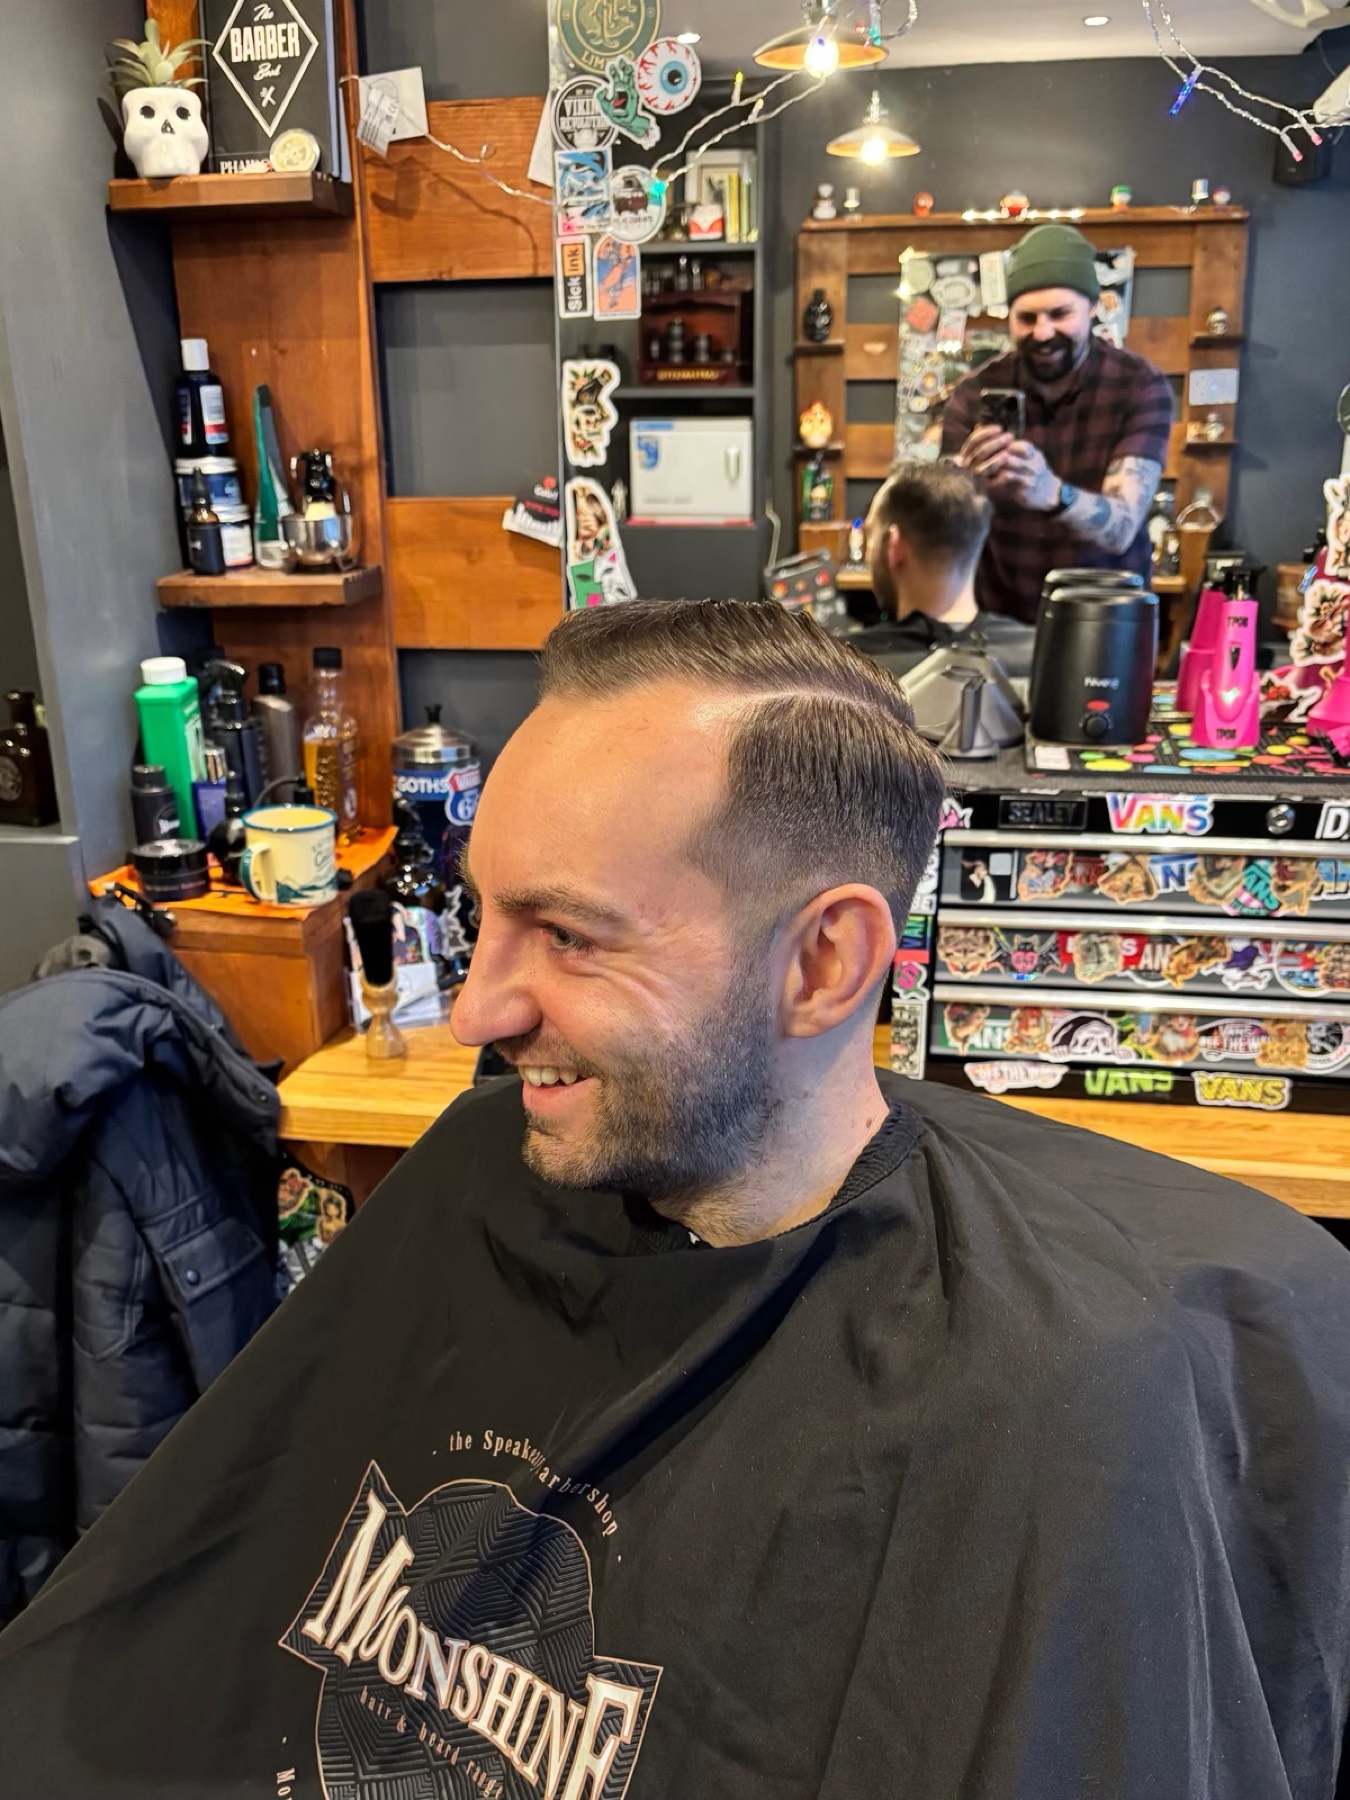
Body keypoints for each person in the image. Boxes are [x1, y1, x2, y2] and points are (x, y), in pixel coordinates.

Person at [4, 599, 1350, 1800]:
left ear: (825, 964)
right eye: (483, 917)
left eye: (571, 935)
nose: (477, 1007)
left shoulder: (1057, 1398)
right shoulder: (490, 1173)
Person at [941, 222, 1173, 622]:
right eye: (1027, 318)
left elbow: (1121, 528)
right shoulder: (974, 393)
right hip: (1001, 619)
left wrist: (1052, 493)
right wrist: (967, 487)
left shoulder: (1138, 386)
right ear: (1008, 316)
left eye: (1060, 314)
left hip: (1106, 619)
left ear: (1094, 307)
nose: (1043, 332)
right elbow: (941, 525)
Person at [853, 459, 1035, 679]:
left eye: (870, 536)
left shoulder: (837, 667)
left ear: (894, 546)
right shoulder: (1040, 656)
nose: (867, 553)